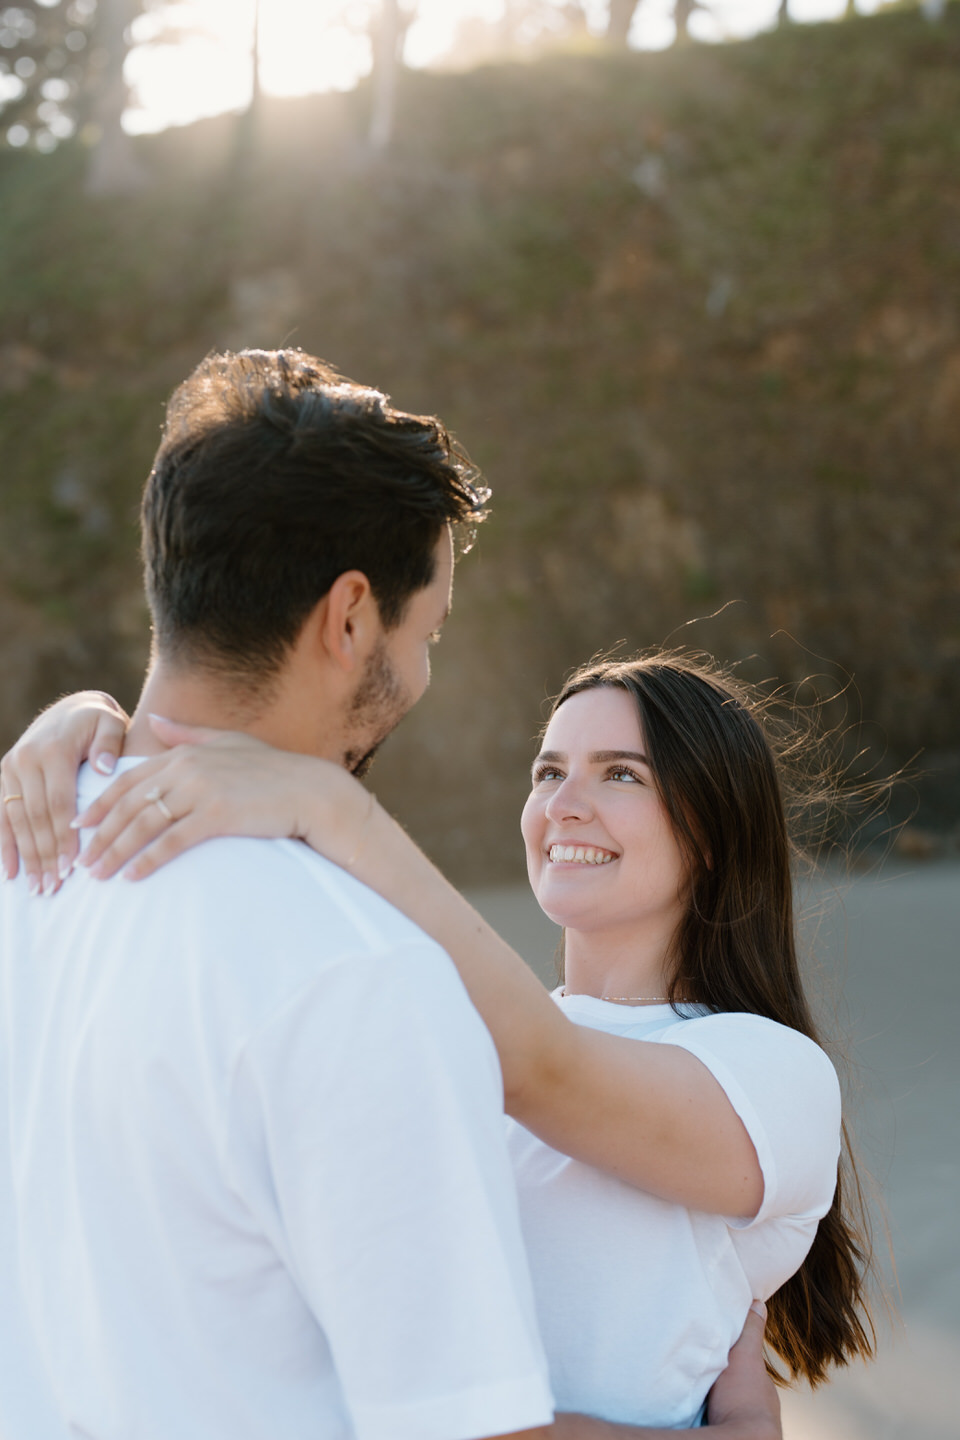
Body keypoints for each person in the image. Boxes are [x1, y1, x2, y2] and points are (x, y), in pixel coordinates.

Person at [0, 348, 782, 1440]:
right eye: (430, 634)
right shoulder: (359, 973)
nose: (422, 675)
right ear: (352, 618)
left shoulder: (25, 852)